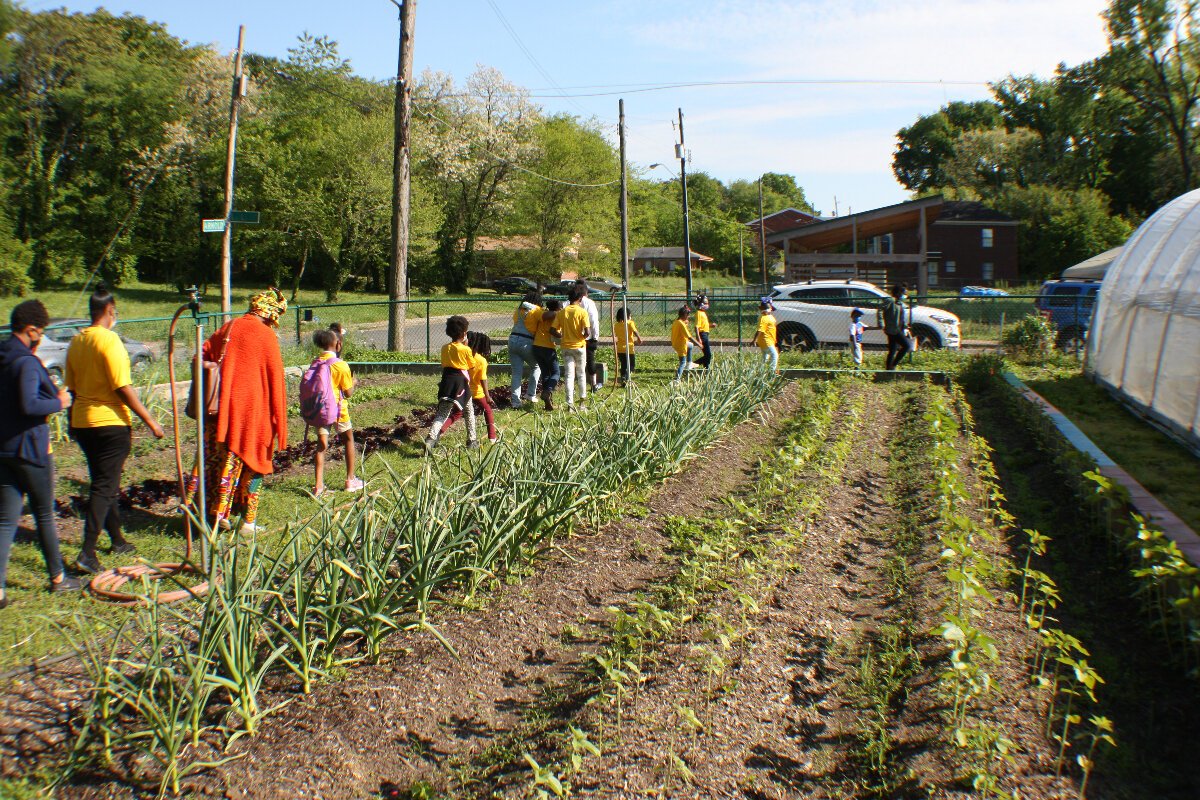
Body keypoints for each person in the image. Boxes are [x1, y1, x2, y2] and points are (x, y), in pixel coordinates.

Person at [66, 285, 165, 573]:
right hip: (110, 424)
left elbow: (72, 388)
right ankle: (87, 553)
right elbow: (122, 387)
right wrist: (151, 421)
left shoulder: (77, 341)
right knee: (104, 487)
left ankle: (118, 539)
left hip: (83, 422)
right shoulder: (109, 341)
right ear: (110, 311)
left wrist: (75, 421)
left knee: (103, 483)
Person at [186, 288, 288, 534]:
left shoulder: (229, 327)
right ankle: (248, 523)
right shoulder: (265, 336)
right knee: (256, 464)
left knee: (216, 462)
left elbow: (200, 356)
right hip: (251, 415)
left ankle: (209, 513)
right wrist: (280, 425)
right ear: (272, 314)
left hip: (219, 412)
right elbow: (276, 382)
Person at [0, 300, 81, 606]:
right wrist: (59, 402)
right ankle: (58, 578)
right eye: (40, 331)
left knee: (5, 522)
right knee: (44, 514)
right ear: (31, 329)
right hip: (30, 450)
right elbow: (29, 405)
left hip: (3, 450)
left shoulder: (5, 355)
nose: (41, 337)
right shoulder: (26, 363)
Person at [311, 328, 363, 496]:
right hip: (338, 410)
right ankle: (350, 479)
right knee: (348, 439)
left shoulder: (316, 362)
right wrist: (354, 382)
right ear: (338, 344)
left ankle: (318, 486)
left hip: (320, 410)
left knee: (321, 446)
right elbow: (347, 393)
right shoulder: (340, 365)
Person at [424, 316, 478, 449]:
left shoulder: (444, 348)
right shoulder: (465, 349)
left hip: (447, 380)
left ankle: (431, 438)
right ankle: (472, 440)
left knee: (442, 413)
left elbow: (444, 363)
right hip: (461, 382)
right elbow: (472, 365)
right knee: (469, 411)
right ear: (464, 333)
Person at [441, 331, 498, 443]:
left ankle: (440, 430)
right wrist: (487, 396)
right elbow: (483, 379)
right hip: (476, 393)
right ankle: (492, 437)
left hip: (462, 391)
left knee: (457, 413)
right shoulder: (481, 360)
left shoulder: (462, 355)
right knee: (488, 411)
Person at [557, 285, 591, 412]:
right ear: (580, 298)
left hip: (566, 347)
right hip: (580, 346)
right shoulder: (582, 312)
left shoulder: (562, 312)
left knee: (569, 375)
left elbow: (553, 329)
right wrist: (582, 336)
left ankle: (570, 405)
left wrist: (563, 336)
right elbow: (587, 331)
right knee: (581, 374)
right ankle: (582, 404)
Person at [525, 299, 562, 411]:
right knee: (556, 372)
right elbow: (555, 332)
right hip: (548, 348)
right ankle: (548, 390)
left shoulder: (543, 314)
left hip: (536, 346)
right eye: (560, 308)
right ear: (557, 308)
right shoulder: (556, 317)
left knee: (545, 373)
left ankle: (548, 402)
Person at [508, 291, 542, 409]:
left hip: (512, 340)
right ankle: (530, 394)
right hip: (526, 341)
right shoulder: (537, 310)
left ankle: (515, 402)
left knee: (516, 372)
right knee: (536, 366)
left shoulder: (518, 310)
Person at [575, 279, 603, 390]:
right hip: (588, 337)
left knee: (575, 362)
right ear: (586, 292)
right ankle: (593, 384)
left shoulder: (568, 303)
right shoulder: (589, 303)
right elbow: (594, 321)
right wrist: (595, 337)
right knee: (590, 360)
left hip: (573, 338)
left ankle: (573, 386)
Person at [879, 284, 911, 371]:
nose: (905, 295)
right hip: (892, 329)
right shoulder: (890, 300)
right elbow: (881, 309)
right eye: (904, 293)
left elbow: (901, 317)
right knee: (906, 346)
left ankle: (889, 369)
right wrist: (881, 323)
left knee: (892, 350)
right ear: (898, 292)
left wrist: (905, 327)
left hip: (898, 329)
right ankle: (893, 365)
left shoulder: (899, 303)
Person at [671, 306, 701, 381]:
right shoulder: (681, 324)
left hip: (676, 343)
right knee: (682, 363)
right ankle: (676, 380)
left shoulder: (677, 321)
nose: (688, 316)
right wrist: (699, 344)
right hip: (681, 345)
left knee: (690, 345)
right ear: (684, 315)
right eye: (688, 315)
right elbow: (689, 336)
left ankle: (689, 363)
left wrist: (686, 323)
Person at [614, 307, 642, 386]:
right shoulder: (630, 323)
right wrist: (639, 338)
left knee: (623, 364)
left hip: (620, 349)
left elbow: (617, 335)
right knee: (632, 365)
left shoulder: (616, 325)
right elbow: (634, 331)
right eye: (630, 315)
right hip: (629, 348)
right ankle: (626, 378)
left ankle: (623, 377)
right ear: (628, 316)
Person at [693, 293, 715, 369]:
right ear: (700, 304)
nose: (707, 305)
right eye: (705, 303)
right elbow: (696, 327)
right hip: (702, 335)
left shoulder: (703, 313)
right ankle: (692, 365)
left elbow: (703, 325)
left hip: (705, 334)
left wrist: (710, 325)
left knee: (706, 355)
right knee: (708, 355)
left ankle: (706, 369)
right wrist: (698, 338)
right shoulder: (699, 313)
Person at [756, 300, 779, 372]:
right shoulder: (764, 318)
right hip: (766, 340)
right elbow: (760, 330)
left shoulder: (769, 316)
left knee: (765, 358)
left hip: (769, 340)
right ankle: (772, 373)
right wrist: (754, 340)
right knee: (774, 355)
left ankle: (760, 372)